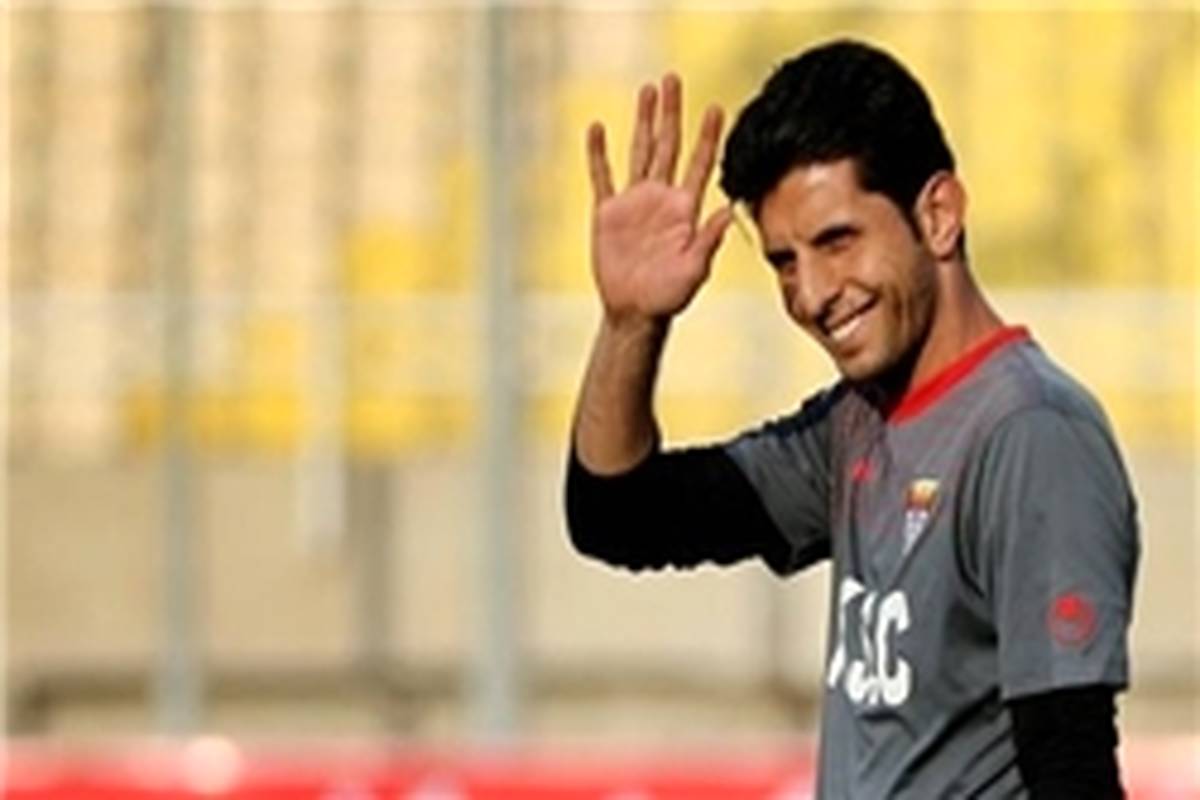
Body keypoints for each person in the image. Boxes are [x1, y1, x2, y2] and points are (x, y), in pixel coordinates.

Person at [564, 39, 1139, 798]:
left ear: (939, 215)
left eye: (837, 242)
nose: (811, 294)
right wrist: (631, 323)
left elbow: (1071, 767)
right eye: (784, 261)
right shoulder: (858, 423)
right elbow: (620, 515)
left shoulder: (1032, 435)